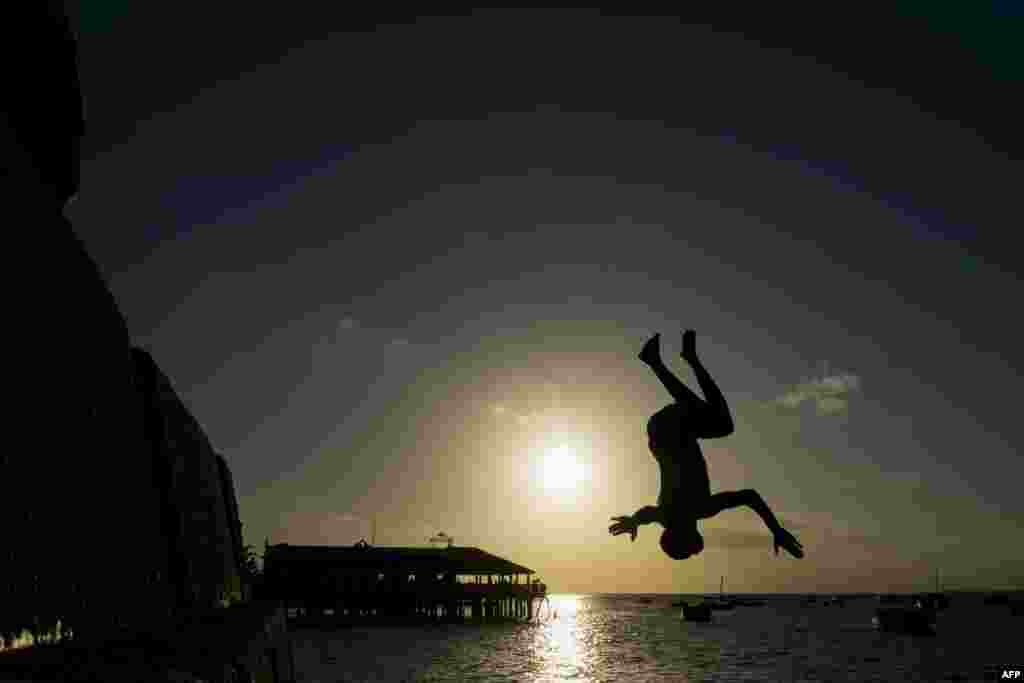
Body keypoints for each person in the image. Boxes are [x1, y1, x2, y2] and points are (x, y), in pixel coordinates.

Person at [609, 330, 804, 560]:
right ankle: (675, 360)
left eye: (691, 548)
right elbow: (645, 515)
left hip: (668, 431)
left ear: (685, 535)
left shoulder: (698, 509)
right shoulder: (667, 515)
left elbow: (749, 496)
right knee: (721, 424)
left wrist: (776, 529)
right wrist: (634, 521)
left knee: (719, 422)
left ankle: (663, 361)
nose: (697, 550)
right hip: (667, 433)